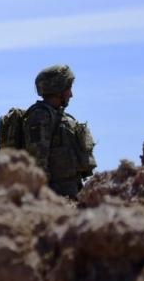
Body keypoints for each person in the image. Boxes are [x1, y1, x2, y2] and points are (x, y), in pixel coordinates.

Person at [23, 64, 96, 198]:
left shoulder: (61, 116)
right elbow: (38, 160)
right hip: (54, 194)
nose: (71, 94)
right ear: (58, 90)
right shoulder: (40, 116)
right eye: (68, 89)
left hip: (71, 190)